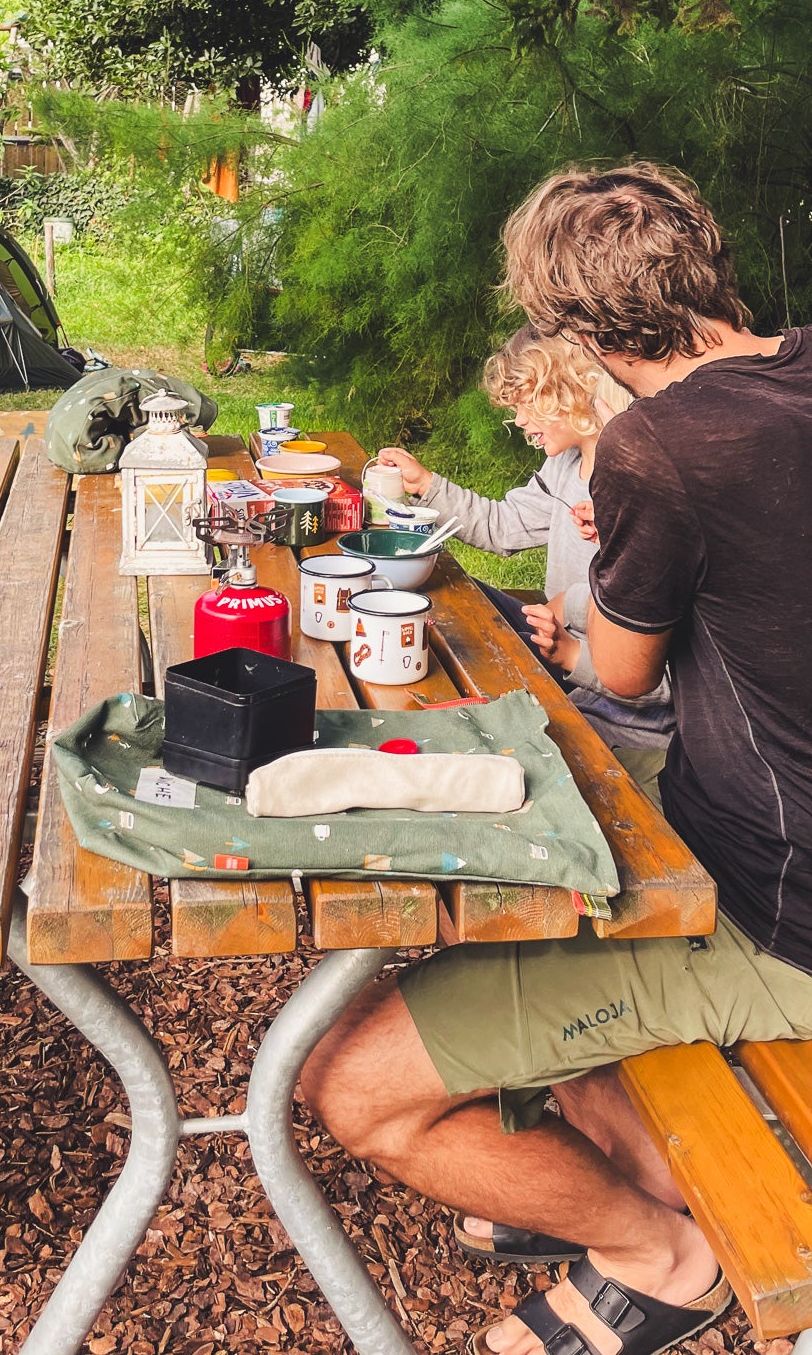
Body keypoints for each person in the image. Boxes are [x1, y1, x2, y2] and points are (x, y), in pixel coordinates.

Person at [302, 162, 812, 1355]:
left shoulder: (655, 443)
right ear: (704, 254)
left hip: (778, 912)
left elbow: (623, 672)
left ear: (572, 322)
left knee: (350, 1087)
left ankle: (661, 1253)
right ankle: (606, 1148)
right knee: (517, 830)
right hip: (728, 823)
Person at [375, 327, 674, 751]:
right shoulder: (567, 466)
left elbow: (649, 636)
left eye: (528, 402)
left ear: (575, 387)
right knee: (436, 593)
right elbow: (504, 526)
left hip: (606, 687)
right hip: (562, 649)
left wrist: (567, 622)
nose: (518, 420)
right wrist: (426, 484)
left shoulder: (644, 486)